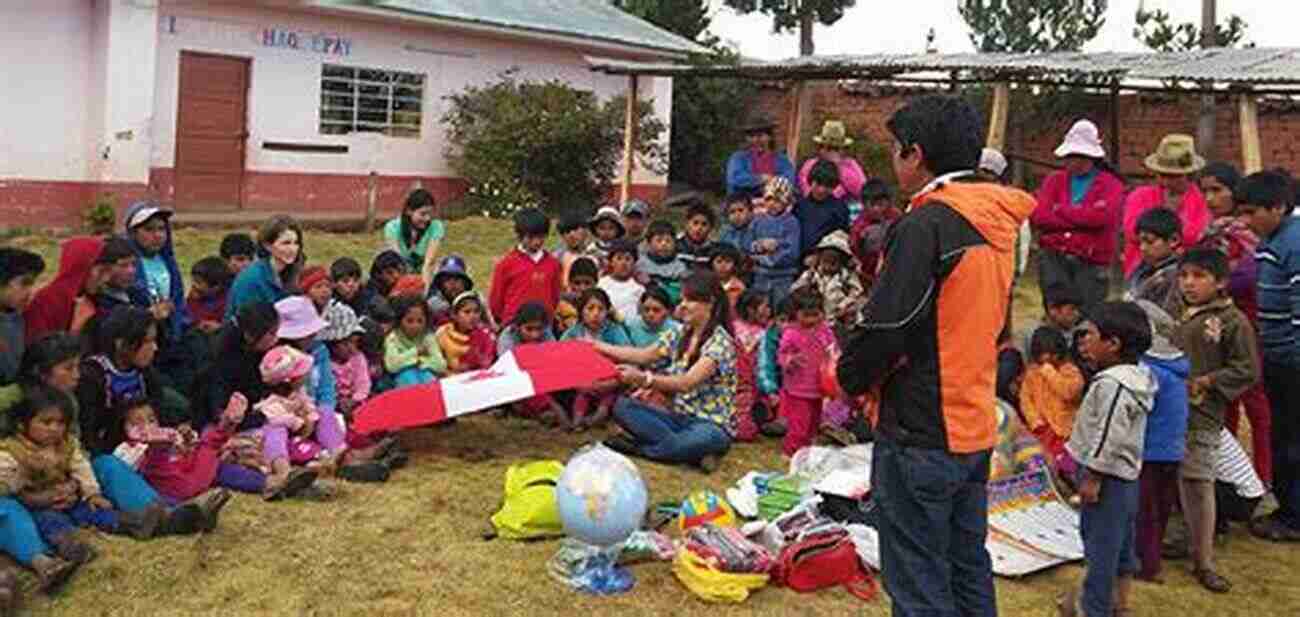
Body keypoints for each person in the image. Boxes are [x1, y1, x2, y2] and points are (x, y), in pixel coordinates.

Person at [835, 95, 1035, 617]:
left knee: (918, 577)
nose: (893, 163)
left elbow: (889, 326)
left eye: (895, 151)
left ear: (915, 153)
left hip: (921, 428)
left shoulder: (927, 225)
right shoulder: (998, 221)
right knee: (966, 562)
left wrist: (849, 374)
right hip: (972, 421)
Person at [74, 307, 223, 529]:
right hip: (115, 456)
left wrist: (175, 431)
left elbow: (159, 411)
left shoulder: (144, 373)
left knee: (203, 451)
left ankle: (262, 480)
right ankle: (170, 515)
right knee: (109, 466)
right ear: (121, 344)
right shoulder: (93, 377)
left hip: (148, 452)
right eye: (148, 342)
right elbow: (90, 438)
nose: (155, 348)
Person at [1168, 247, 1259, 593]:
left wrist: (1207, 382)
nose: (1189, 283)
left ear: (1220, 282)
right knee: (1171, 479)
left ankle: (1204, 561)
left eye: (1199, 276)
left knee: (1198, 483)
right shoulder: (1179, 311)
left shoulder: (1233, 322)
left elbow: (1247, 370)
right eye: (1184, 275)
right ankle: (1180, 539)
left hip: (1202, 414)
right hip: (1169, 410)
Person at [1058, 302, 1155, 617]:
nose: (1084, 341)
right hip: (1126, 478)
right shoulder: (1137, 378)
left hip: (1107, 480)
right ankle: (1120, 605)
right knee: (1120, 545)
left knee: (1101, 548)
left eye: (1092, 335)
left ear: (1113, 344)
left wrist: (1093, 477)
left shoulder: (1113, 385)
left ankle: (1093, 608)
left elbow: (1107, 434)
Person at [596, 272, 737, 472]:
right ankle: (691, 453)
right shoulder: (679, 333)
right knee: (622, 407)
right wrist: (597, 346)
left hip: (710, 425)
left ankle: (642, 449)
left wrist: (644, 379)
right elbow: (643, 356)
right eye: (682, 299)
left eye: (690, 300)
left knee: (703, 438)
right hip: (675, 418)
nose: (683, 305)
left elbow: (686, 382)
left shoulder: (720, 342)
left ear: (710, 303)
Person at [197, 302, 317, 500]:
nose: (276, 338)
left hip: (258, 418)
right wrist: (264, 414)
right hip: (232, 424)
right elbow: (220, 413)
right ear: (250, 335)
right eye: (271, 334)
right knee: (268, 435)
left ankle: (292, 471)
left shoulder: (262, 354)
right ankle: (282, 475)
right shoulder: (222, 362)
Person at [1198, 161, 1271, 486]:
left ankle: (1265, 476)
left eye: (1217, 190)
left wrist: (1218, 281)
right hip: (1216, 323)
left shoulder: (1248, 234)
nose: (1210, 198)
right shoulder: (1211, 232)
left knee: (1257, 404)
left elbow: (1249, 276)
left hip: (1249, 323)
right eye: (1205, 191)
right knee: (1221, 401)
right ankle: (1229, 477)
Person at [1238, 170, 1300, 542]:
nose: (1247, 221)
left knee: (1291, 438)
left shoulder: (1293, 244)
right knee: (1285, 433)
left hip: (1292, 361)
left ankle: (1293, 516)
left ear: (1277, 207)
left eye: (1253, 213)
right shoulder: (1273, 240)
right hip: (1277, 353)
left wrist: (1291, 357)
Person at [1031, 120, 1126, 308]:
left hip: (1092, 263)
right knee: (1056, 315)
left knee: (1088, 318)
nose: (1074, 162)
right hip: (1054, 260)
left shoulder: (1111, 184)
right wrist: (1082, 217)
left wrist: (1060, 210)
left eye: (1081, 157)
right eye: (1070, 156)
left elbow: (1101, 218)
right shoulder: (1054, 180)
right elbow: (1040, 216)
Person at [1133, 300, 1190, 583]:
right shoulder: (1176, 367)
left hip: (1150, 450)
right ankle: (1151, 557)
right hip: (1173, 450)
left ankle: (1147, 564)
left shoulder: (1147, 370)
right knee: (1161, 507)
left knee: (1146, 510)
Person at [118, 396, 238, 512]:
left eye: (151, 420)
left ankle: (226, 424)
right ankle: (223, 428)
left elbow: (183, 454)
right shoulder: (126, 448)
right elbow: (127, 474)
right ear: (123, 429)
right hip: (165, 484)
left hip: (183, 475)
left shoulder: (167, 435)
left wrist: (186, 440)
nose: (146, 427)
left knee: (204, 448)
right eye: (136, 424)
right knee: (206, 449)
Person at [1122, 134, 1211, 277]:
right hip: (1140, 273)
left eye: (1174, 176)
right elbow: (1131, 231)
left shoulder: (1203, 201)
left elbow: (1198, 237)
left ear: (1189, 175)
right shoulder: (1139, 196)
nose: (1166, 182)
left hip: (1185, 275)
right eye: (1162, 175)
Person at [778, 289, 837, 456]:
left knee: (813, 423)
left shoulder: (825, 330)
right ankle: (790, 452)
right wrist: (791, 360)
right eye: (806, 315)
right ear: (795, 314)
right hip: (798, 389)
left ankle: (807, 451)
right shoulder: (791, 334)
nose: (812, 320)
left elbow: (833, 349)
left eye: (816, 315)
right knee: (799, 425)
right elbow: (781, 356)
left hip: (819, 387)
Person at [1019, 327, 1084, 477]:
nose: (1047, 357)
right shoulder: (1032, 373)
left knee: (1067, 469)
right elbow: (1025, 399)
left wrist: (1049, 372)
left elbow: (1068, 392)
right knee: (1044, 468)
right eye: (1043, 353)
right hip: (1042, 432)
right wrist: (1035, 421)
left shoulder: (1070, 371)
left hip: (1066, 432)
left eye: (1052, 353)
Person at [560, 289, 630, 430]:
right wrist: (579, 383)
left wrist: (610, 383)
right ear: (581, 311)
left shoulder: (614, 330)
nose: (596, 314)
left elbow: (628, 356)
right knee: (581, 398)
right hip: (582, 381)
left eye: (601, 309)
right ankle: (577, 421)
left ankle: (595, 419)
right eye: (590, 308)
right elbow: (560, 359)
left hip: (610, 380)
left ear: (607, 311)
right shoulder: (574, 333)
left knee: (607, 401)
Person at [488, 208, 562, 327]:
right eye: (531, 237)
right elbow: (496, 300)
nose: (536, 242)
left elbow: (555, 296)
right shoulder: (506, 264)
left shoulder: (553, 264)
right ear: (520, 235)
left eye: (541, 237)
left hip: (544, 325)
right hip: (513, 325)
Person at [23, 237, 106, 342]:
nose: (105, 279)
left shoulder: (93, 298)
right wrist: (76, 328)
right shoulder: (46, 302)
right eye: (101, 271)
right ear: (80, 268)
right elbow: (40, 353)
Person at [226, 215, 306, 320]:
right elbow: (248, 323)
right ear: (267, 245)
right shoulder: (252, 280)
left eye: (296, 243)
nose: (292, 249)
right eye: (285, 243)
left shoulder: (292, 271)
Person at [496, 303, 565, 426]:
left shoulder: (547, 334)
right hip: (515, 378)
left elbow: (554, 357)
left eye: (539, 329)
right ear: (517, 327)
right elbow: (507, 365)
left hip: (541, 377)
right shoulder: (507, 337)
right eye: (529, 329)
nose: (535, 334)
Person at [790, 230, 864, 331]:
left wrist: (843, 306)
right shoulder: (812, 274)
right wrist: (807, 287)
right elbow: (795, 289)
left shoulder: (845, 276)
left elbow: (857, 292)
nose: (828, 267)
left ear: (842, 261)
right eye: (825, 262)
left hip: (839, 319)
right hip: (815, 319)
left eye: (833, 264)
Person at [750, 177, 801, 308]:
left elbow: (792, 250)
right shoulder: (758, 220)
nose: (772, 204)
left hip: (783, 276)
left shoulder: (791, 222)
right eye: (769, 199)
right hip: (760, 274)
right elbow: (750, 242)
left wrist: (775, 248)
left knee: (781, 307)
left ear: (786, 202)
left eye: (778, 200)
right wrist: (757, 247)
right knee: (760, 307)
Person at [794, 160, 851, 265]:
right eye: (818, 184)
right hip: (800, 263)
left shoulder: (839, 209)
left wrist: (820, 257)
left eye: (827, 186)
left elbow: (842, 239)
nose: (821, 190)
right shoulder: (799, 207)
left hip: (828, 265)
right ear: (811, 181)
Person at [384, 188, 445, 284]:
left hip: (425, 276)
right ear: (409, 211)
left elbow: (429, 264)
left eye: (430, 214)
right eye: (423, 214)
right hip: (400, 276)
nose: (427, 218)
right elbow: (398, 262)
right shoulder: (392, 227)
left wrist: (424, 291)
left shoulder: (436, 227)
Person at [849, 178, 902, 289]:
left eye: (881, 204)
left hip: (893, 267)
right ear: (864, 204)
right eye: (872, 205)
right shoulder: (860, 225)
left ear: (889, 202)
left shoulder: (897, 217)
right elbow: (854, 248)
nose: (877, 209)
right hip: (867, 272)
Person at [798, 120, 867, 204]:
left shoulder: (851, 165)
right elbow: (807, 192)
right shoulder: (810, 165)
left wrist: (839, 167)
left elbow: (863, 191)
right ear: (821, 148)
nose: (832, 153)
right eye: (829, 148)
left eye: (836, 149)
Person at [1125, 207, 1183, 306]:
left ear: (1174, 240)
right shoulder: (1142, 269)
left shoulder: (1177, 275)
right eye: (1140, 242)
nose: (1143, 248)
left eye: (1150, 242)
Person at [726, 115, 796, 196]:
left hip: (773, 203)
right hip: (744, 203)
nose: (755, 140)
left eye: (760, 136)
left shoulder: (782, 160)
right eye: (751, 136)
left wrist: (770, 184)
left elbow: (788, 181)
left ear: (770, 137)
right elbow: (736, 179)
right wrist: (763, 178)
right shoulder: (738, 158)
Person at [321, 302, 370, 418]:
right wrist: (338, 402)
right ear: (332, 343)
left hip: (356, 402)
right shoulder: (324, 361)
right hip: (333, 405)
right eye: (345, 343)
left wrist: (354, 400)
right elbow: (325, 389)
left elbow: (363, 383)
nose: (352, 348)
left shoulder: (358, 358)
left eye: (355, 342)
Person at [385, 294, 445, 388]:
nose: (415, 326)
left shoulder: (427, 337)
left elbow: (441, 365)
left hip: (424, 372)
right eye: (409, 321)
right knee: (409, 377)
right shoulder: (393, 338)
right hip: (401, 378)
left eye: (420, 321)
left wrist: (420, 361)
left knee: (429, 379)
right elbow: (392, 366)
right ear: (400, 320)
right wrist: (416, 351)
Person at [435, 292, 495, 374]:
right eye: (467, 312)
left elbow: (487, 362)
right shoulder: (443, 333)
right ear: (454, 315)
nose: (473, 316)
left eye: (476, 311)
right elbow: (437, 361)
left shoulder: (486, 335)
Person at [635, 221, 686, 306]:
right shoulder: (640, 265)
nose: (664, 244)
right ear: (648, 243)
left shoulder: (680, 268)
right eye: (659, 240)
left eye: (668, 241)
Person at [598, 240, 645, 324]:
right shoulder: (601, 284)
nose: (623, 263)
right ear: (611, 262)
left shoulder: (639, 289)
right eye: (619, 258)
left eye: (628, 259)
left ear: (634, 263)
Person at [187, 256, 232, 337]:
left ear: (216, 287)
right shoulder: (195, 295)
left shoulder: (228, 301)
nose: (193, 284)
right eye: (193, 280)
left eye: (198, 282)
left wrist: (220, 327)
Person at [554, 210, 598, 288]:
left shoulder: (596, 256)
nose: (571, 235)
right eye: (567, 232)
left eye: (575, 229)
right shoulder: (557, 258)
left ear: (586, 230)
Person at [556, 257, 598, 336]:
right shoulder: (560, 305)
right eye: (577, 283)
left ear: (596, 283)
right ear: (569, 283)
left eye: (587, 283)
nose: (582, 288)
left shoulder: (602, 305)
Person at [676, 199, 719, 272]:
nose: (699, 228)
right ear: (687, 224)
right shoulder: (675, 244)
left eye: (704, 224)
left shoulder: (714, 249)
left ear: (710, 228)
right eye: (695, 223)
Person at [709, 243, 746, 312]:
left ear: (735, 265)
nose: (723, 266)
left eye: (728, 261)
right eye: (719, 262)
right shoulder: (706, 284)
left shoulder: (739, 288)